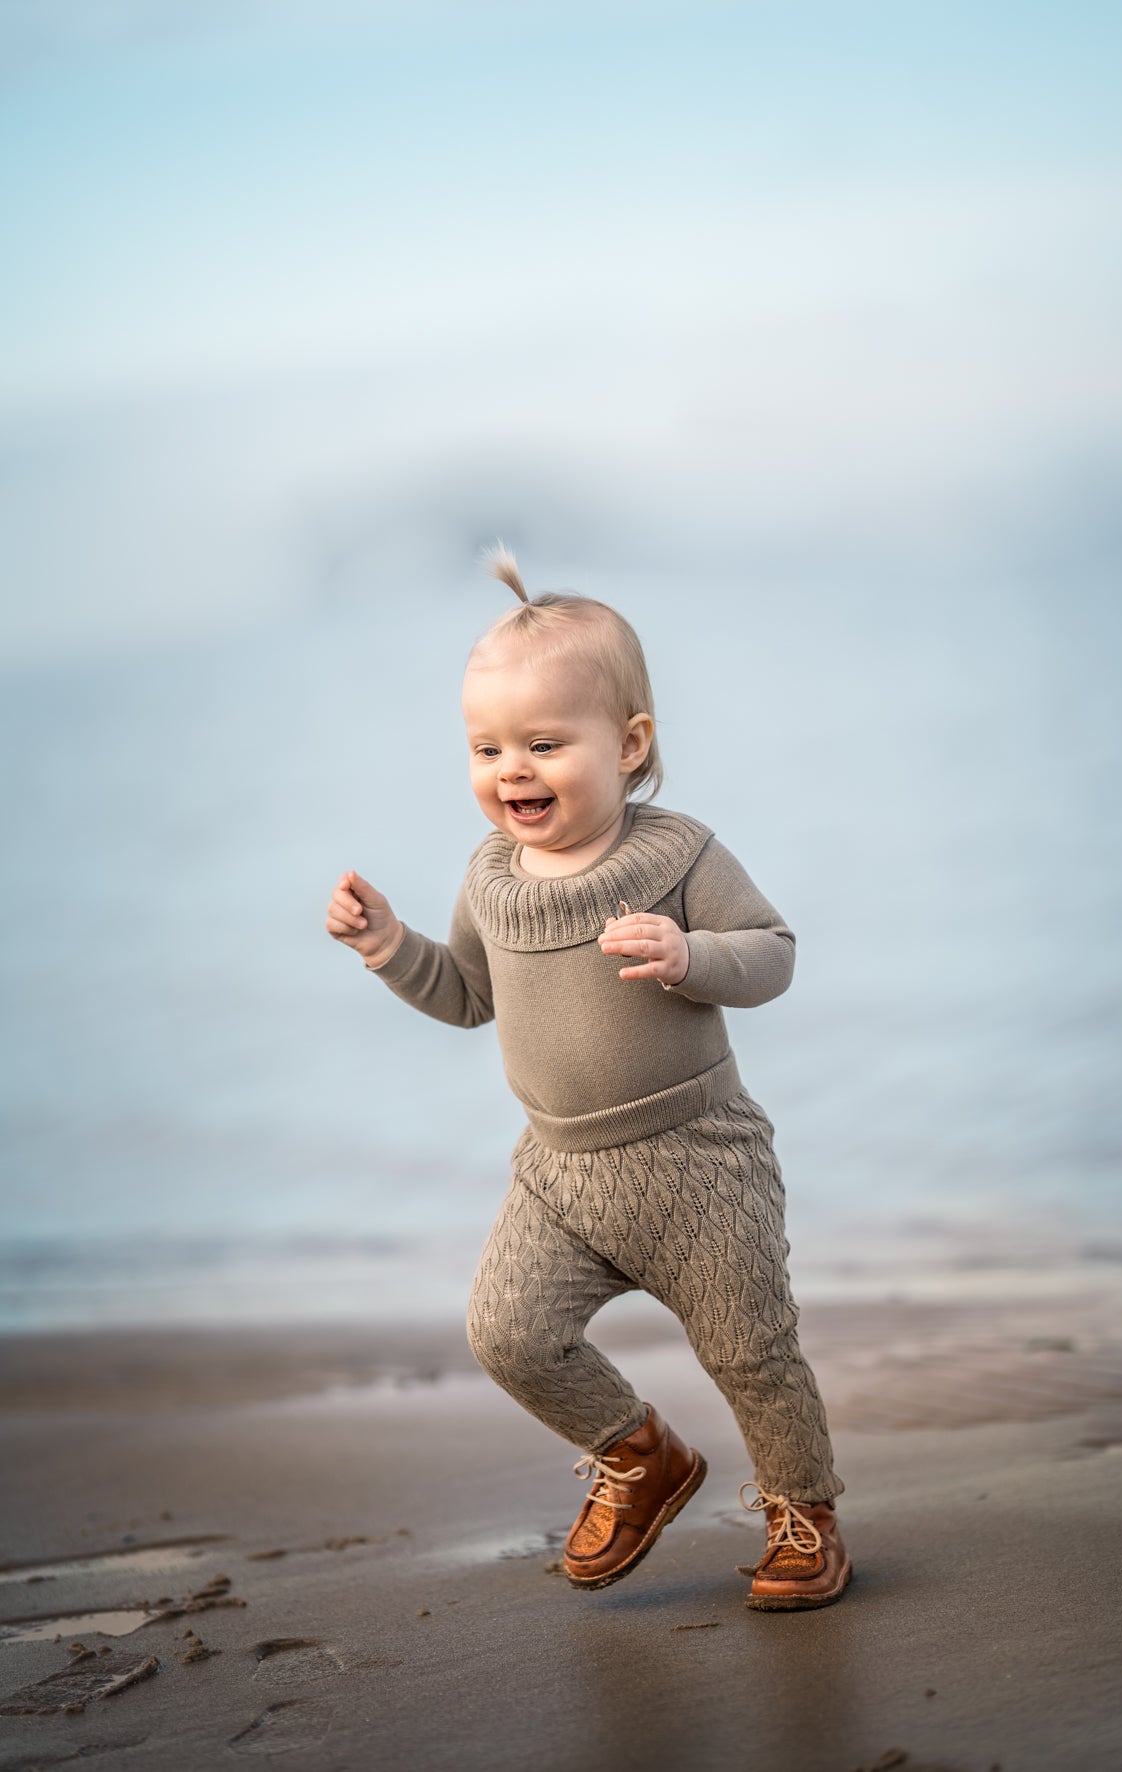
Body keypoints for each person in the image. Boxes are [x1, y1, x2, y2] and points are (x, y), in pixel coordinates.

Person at [324, 545, 850, 1610]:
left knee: (751, 1352)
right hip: (557, 1176)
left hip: (698, 1166)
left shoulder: (681, 855)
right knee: (506, 1331)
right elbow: (468, 992)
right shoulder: (489, 875)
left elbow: (775, 951)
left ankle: (803, 1513)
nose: (510, 768)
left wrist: (690, 954)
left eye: (544, 743)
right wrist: (389, 947)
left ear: (629, 743)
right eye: (487, 746)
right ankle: (638, 1454)